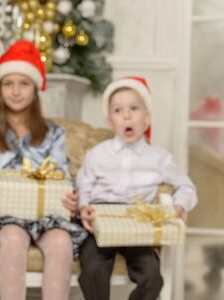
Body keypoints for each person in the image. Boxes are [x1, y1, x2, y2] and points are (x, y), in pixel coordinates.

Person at [0, 40, 87, 300]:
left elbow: (63, 175)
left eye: (24, 84)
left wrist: (71, 196)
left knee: (61, 242)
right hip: (2, 213)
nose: (16, 91)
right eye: (8, 84)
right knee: (14, 239)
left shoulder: (54, 133)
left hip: (45, 213)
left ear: (35, 89)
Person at [76, 76, 198, 300]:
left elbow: (186, 186)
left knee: (153, 276)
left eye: (134, 108)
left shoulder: (159, 158)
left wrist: (180, 206)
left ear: (147, 118)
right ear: (109, 120)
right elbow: (84, 184)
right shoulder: (98, 154)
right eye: (118, 110)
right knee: (93, 269)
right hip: (101, 219)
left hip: (137, 223)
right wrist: (83, 206)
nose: (127, 116)